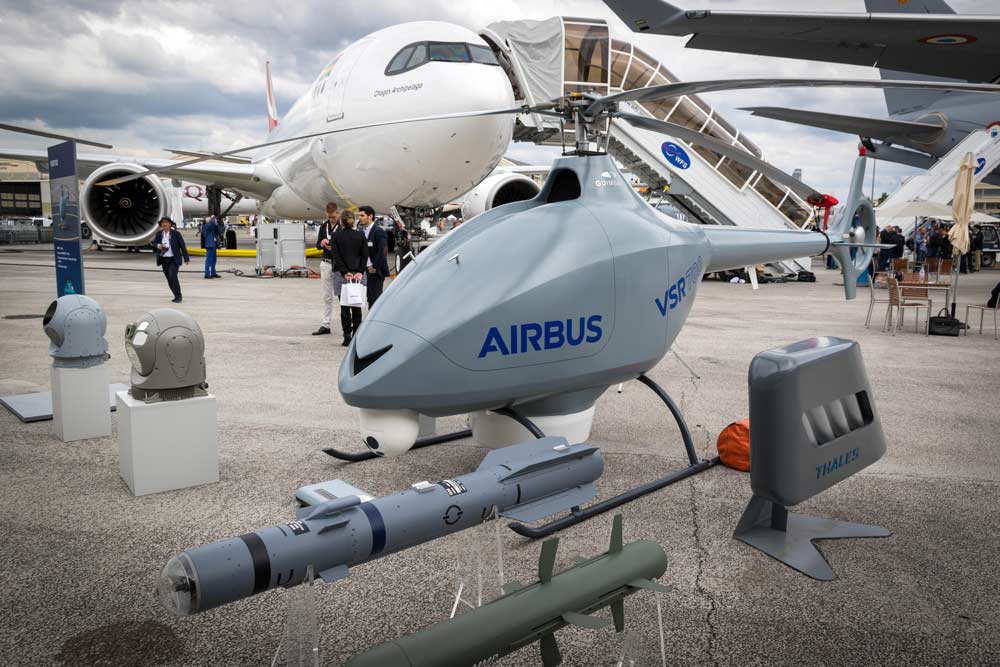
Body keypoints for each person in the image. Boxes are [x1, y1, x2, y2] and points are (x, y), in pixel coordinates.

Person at [331, 209, 368, 346]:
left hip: (341, 275)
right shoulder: (360, 235)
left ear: (341, 221)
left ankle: (347, 336)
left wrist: (345, 271)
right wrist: (359, 271)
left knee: (344, 306)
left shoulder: (336, 236)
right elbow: (364, 255)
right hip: (358, 274)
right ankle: (357, 336)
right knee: (357, 306)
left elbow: (336, 256)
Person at [312, 202, 341, 336]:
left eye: (333, 217)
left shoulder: (342, 228)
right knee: (327, 296)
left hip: (338, 264)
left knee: (342, 295)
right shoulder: (324, 227)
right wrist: (322, 243)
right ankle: (326, 324)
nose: (331, 219)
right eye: (329, 217)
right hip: (326, 263)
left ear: (338, 213)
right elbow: (318, 245)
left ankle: (346, 324)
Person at [358, 205, 390, 308]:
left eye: (362, 215)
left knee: (375, 299)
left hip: (375, 270)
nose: (360, 218)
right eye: (359, 216)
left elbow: (383, 251)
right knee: (369, 297)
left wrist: (375, 267)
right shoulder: (362, 231)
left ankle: (375, 323)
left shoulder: (378, 231)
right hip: (365, 269)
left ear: (370, 216)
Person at [152, 217, 189, 303]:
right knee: (169, 279)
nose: (164, 224)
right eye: (162, 222)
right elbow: (154, 244)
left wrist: (186, 258)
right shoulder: (159, 234)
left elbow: (182, 246)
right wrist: (158, 245)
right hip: (164, 259)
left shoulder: (176, 234)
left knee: (173, 276)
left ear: (170, 224)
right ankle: (175, 294)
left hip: (174, 259)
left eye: (166, 222)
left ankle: (178, 296)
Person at [202, 215, 221, 279]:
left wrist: (216, 224)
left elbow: (218, 231)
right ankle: (207, 274)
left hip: (214, 245)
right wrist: (213, 218)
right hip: (210, 245)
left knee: (214, 260)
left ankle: (213, 272)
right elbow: (211, 225)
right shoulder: (206, 226)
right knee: (209, 260)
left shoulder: (212, 226)